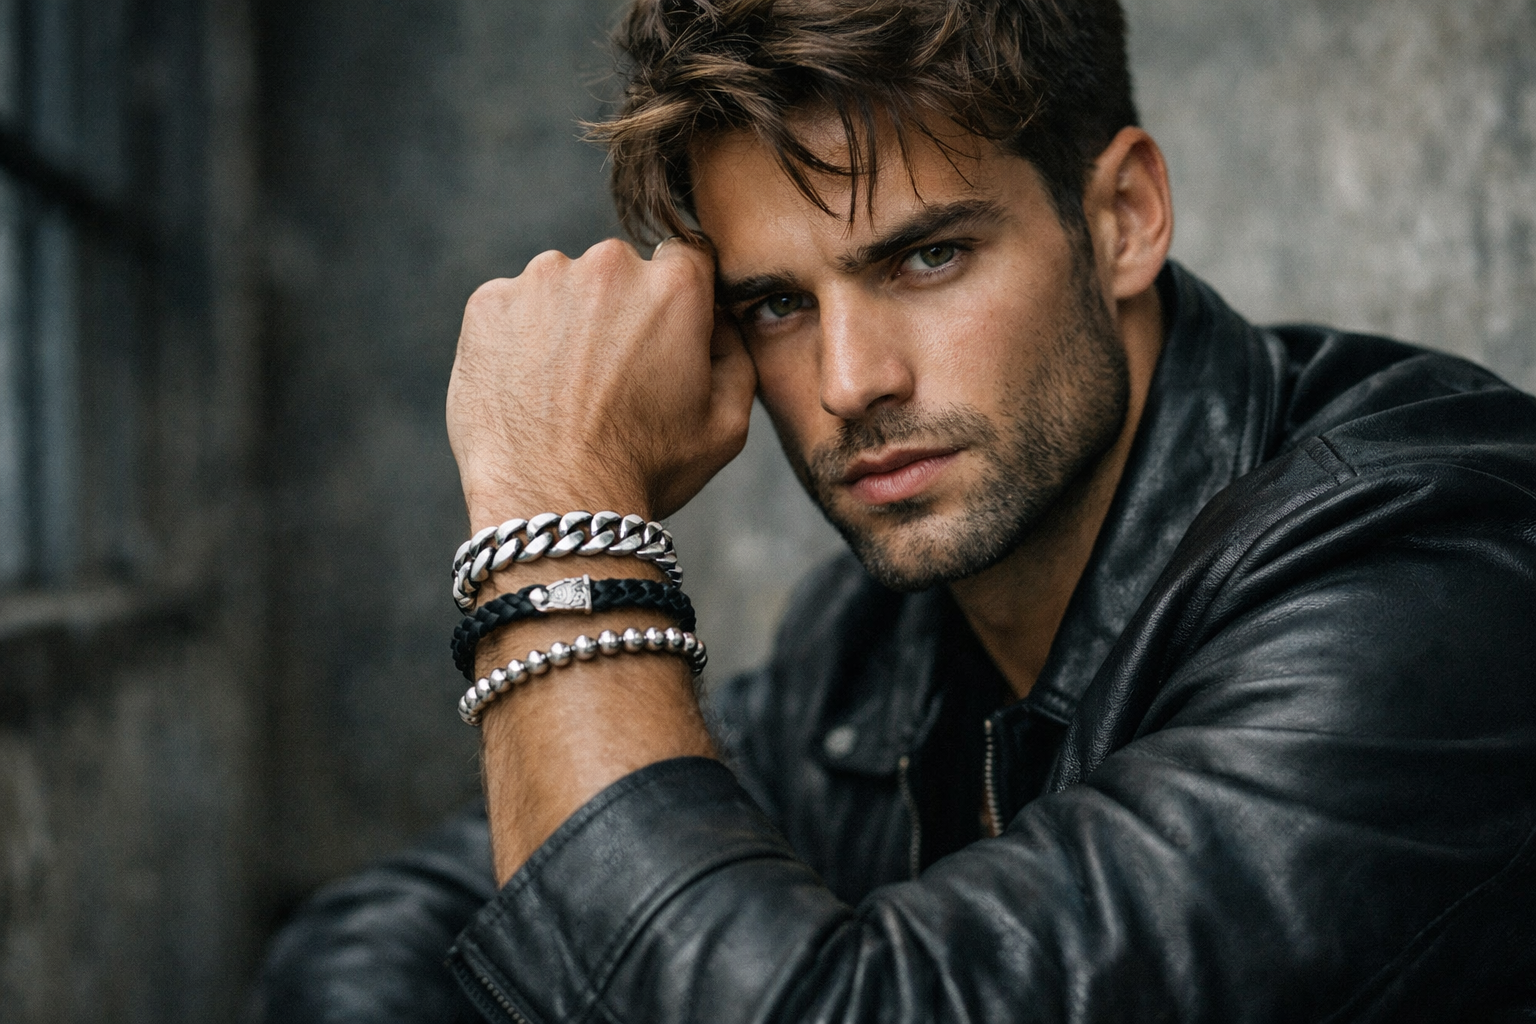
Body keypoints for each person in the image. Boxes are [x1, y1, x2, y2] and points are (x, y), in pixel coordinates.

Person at [251, 0, 1536, 1020]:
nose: (851, 382)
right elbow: (386, 935)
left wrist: (556, 513)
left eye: (927, 257)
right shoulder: (877, 644)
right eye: (777, 304)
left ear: (1123, 218)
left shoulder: (1419, 575)